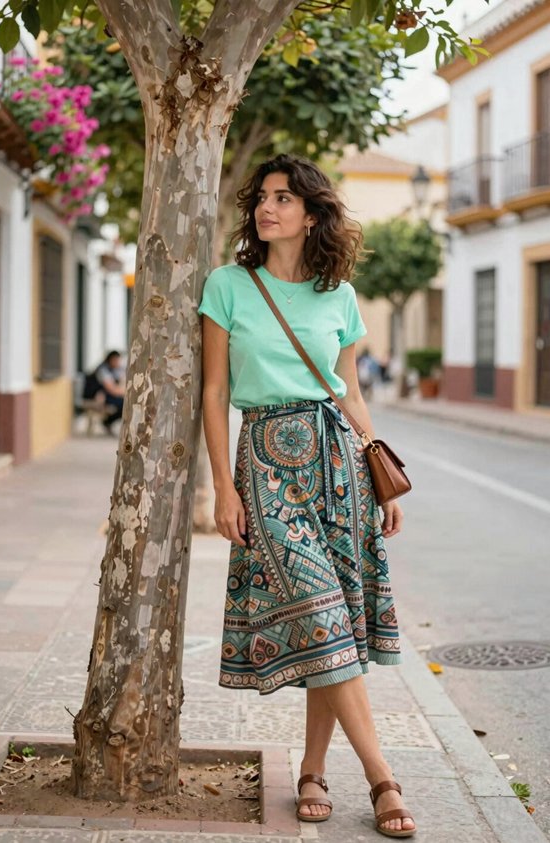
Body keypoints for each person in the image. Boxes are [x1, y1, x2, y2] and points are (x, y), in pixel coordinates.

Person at [199, 154, 415, 838]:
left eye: (284, 198)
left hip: (340, 464)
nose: (268, 208)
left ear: (312, 214)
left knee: (338, 626)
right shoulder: (228, 285)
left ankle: (314, 769)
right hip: (264, 462)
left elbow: (348, 390)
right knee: (320, 613)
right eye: (262, 197)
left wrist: (379, 470)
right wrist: (221, 486)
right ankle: (382, 778)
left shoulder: (338, 295)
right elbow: (211, 392)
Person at [83, 350, 125, 434]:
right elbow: (111, 389)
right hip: (95, 397)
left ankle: (108, 422)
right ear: (111, 360)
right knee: (124, 404)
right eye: (116, 360)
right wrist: (124, 393)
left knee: (124, 403)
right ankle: (107, 422)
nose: (118, 363)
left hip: (105, 395)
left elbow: (121, 382)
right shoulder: (103, 369)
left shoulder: (115, 369)